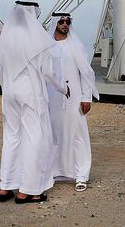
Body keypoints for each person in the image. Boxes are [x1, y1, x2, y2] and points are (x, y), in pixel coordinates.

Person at [0, 1, 70, 204]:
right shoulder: (38, 37)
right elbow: (48, 73)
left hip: (9, 94)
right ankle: (29, 190)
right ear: (32, 13)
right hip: (30, 94)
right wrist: (64, 88)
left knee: (11, 137)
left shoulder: (6, 38)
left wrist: (7, 88)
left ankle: (6, 186)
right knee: (35, 137)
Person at [45, 12, 99, 192]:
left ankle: (81, 175)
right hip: (51, 98)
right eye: (61, 21)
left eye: (68, 21)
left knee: (78, 134)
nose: (65, 24)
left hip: (74, 97)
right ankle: (55, 171)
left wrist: (86, 97)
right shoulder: (46, 46)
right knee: (53, 134)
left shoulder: (75, 45)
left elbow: (85, 73)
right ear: (55, 23)